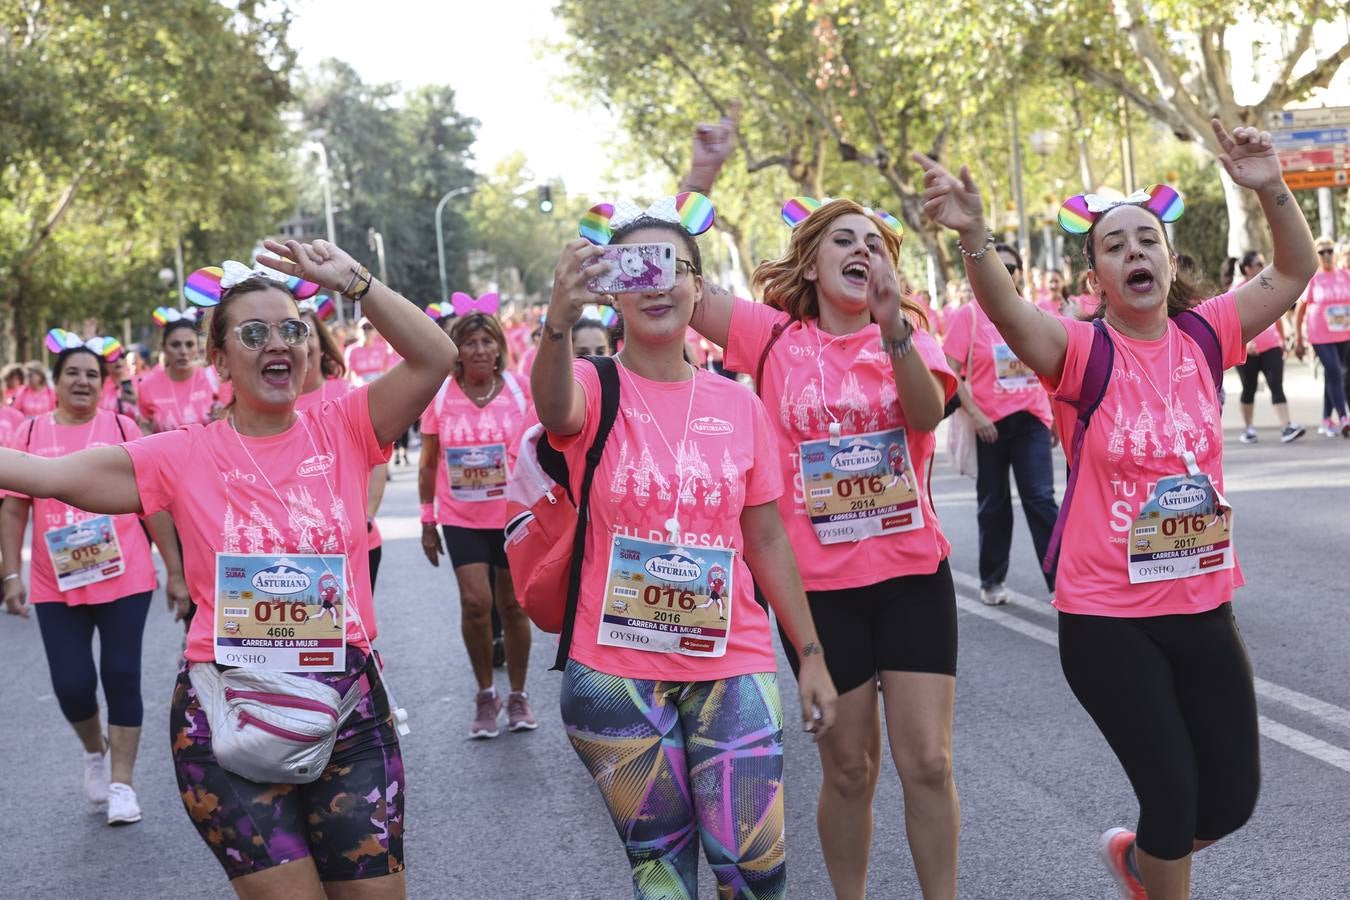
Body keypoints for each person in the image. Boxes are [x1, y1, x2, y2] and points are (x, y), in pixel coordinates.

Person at [915, 118, 1314, 900]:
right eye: (1115, 245)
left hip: (1201, 602)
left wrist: (1269, 185)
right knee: (1171, 795)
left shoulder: (1209, 333)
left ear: (1169, 260)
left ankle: (1139, 864)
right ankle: (1159, 869)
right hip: (1108, 618)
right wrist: (975, 240)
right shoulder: (1081, 351)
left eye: (1147, 240)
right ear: (1094, 273)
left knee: (1229, 802)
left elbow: (1294, 271)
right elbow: (1007, 316)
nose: (1135, 252)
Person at [0, 241, 454, 897]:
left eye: (292, 329)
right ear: (219, 359)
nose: (280, 343)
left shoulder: (347, 425)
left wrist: (354, 281)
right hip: (226, 713)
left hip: (347, 704)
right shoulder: (178, 455)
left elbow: (434, 356)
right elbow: (42, 474)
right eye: (254, 332)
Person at [681, 110, 961, 900]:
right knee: (850, 768)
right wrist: (699, 179)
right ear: (811, 267)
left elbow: (923, 416)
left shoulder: (911, 333)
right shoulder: (769, 338)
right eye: (845, 241)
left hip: (911, 572)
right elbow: (671, 277)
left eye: (874, 244)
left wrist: (893, 331)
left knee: (929, 762)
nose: (863, 253)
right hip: (817, 591)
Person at [535, 192, 837, 899]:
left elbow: (766, 537)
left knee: (756, 872)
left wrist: (813, 658)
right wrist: (557, 317)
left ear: (697, 288)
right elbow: (553, 409)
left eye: (671, 267)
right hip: (614, 674)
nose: (656, 283)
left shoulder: (739, 404)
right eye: (635, 268)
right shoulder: (590, 382)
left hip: (732, 663)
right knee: (663, 873)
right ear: (612, 289)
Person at [2, 331, 188, 826]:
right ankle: (94, 750)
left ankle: (122, 783)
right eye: (72, 373)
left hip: (125, 576)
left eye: (92, 374)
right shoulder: (27, 435)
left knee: (122, 675)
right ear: (56, 382)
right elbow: (14, 510)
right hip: (53, 581)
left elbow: (154, 504)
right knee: (73, 685)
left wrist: (174, 571)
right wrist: (10, 575)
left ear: (104, 384)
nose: (82, 381)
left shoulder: (124, 428)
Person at [419, 311, 537, 737]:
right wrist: (427, 520)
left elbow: (540, 451)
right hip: (461, 516)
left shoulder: (521, 390)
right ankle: (486, 694)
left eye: (487, 341)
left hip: (511, 516)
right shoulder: (441, 394)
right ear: (457, 350)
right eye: (470, 342)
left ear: (499, 346)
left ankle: (519, 695)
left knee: (511, 605)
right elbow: (428, 462)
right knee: (475, 603)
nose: (480, 350)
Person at [944, 279, 1060, 604]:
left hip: (1032, 420)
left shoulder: (1033, 313)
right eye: (1000, 269)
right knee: (993, 504)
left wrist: (1053, 415)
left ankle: (1062, 581)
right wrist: (976, 414)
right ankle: (992, 579)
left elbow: (1051, 365)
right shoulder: (968, 316)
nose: (1005, 274)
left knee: (1040, 498)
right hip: (989, 425)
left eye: (1012, 270)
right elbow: (949, 370)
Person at [295, 297, 389, 591]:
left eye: (306, 333)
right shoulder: (267, 404)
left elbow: (377, 463)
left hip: (353, 545)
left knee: (351, 635)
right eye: (291, 334)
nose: (300, 343)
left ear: (322, 344)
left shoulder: (349, 394)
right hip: (293, 550)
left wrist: (367, 516)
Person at [1227, 252, 1304, 443]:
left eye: (1263, 264)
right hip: (1246, 350)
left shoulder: (1268, 286)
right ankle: (1248, 429)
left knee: (1276, 385)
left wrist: (1282, 341)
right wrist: (1244, 342)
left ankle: (1287, 427)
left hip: (1271, 346)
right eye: (1258, 264)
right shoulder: (1236, 291)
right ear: (1247, 269)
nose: (1263, 267)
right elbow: (1230, 321)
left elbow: (1275, 314)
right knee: (1249, 388)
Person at [1293, 236, 1350, 437]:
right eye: (1321, 252)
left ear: (1335, 253)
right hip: (1320, 336)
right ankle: (1344, 418)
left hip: (1344, 334)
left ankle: (1326, 419)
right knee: (1335, 371)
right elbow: (1299, 312)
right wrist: (1298, 339)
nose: (1326, 256)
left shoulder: (1345, 275)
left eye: (1329, 251)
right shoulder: (1312, 279)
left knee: (1333, 375)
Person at [137, 308, 218, 433]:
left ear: (197, 347)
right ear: (163, 347)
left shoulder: (213, 377)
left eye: (189, 344)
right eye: (175, 345)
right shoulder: (146, 386)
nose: (183, 352)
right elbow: (144, 432)